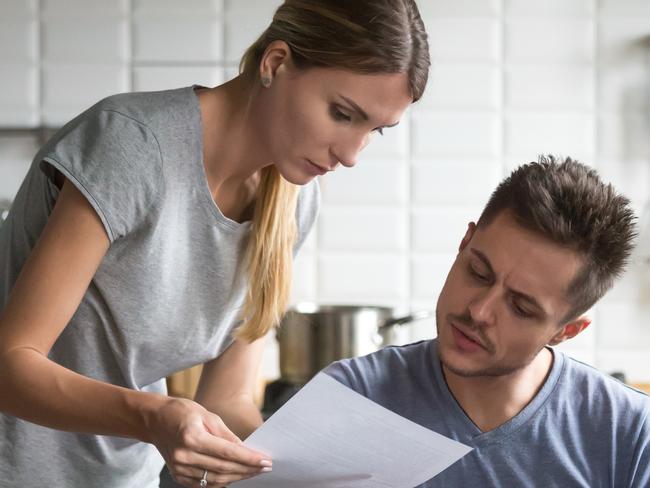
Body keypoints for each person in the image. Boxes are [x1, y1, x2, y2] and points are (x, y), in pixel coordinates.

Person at [0, 1, 430, 487]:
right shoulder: (132, 146)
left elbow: (225, 401)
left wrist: (318, 471)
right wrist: (154, 416)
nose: (352, 154)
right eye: (342, 113)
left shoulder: (295, 203)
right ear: (275, 63)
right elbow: (11, 366)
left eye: (374, 130)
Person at [325, 156, 650, 487]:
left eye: (521, 307)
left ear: (565, 331)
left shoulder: (631, 434)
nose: (479, 311)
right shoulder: (352, 396)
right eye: (478, 272)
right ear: (465, 243)